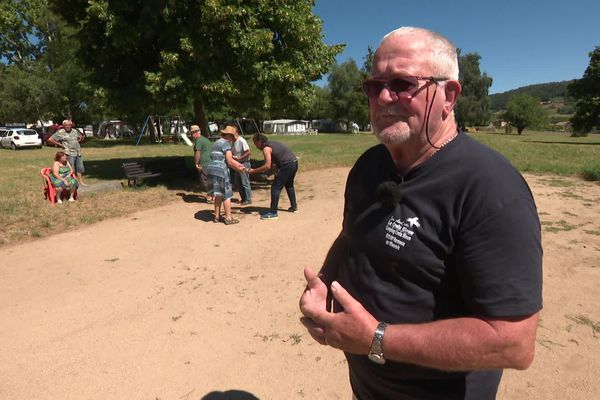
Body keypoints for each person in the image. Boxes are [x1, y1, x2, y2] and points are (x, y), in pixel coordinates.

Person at [299, 27, 542, 400]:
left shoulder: (490, 189)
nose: (382, 97)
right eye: (373, 85)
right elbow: (351, 236)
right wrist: (326, 283)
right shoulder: (368, 167)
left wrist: (376, 339)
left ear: (449, 95)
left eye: (402, 83)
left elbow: (512, 343)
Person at [247, 133, 298, 220]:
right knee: (289, 185)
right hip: (294, 163)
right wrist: (267, 174)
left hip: (287, 166)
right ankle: (294, 207)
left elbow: (267, 165)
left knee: (275, 187)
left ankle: (273, 212)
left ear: (260, 141)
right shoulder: (273, 143)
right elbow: (274, 165)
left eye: (256, 143)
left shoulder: (266, 148)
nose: (256, 146)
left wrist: (253, 171)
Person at [206, 124, 246, 225]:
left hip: (211, 169)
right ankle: (228, 218)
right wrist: (239, 169)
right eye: (232, 137)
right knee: (226, 195)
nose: (233, 139)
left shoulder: (216, 143)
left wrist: (240, 165)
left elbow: (230, 159)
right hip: (220, 170)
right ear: (229, 136)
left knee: (218, 194)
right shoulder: (226, 144)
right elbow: (229, 161)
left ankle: (216, 216)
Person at [46, 119, 88, 186]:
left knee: (80, 168)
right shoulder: (60, 132)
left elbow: (81, 137)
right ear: (63, 126)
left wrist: (80, 139)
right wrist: (59, 144)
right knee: (72, 168)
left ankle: (81, 182)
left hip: (78, 152)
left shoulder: (74, 131)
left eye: (69, 125)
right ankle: (72, 182)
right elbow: (50, 139)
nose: (68, 126)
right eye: (66, 125)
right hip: (69, 152)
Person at [190, 124, 214, 203]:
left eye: (192, 133)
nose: (191, 135)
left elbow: (198, 152)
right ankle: (213, 196)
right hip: (210, 161)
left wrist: (196, 163)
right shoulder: (205, 139)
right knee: (210, 179)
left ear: (196, 133)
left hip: (204, 163)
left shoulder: (199, 140)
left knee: (205, 180)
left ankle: (210, 197)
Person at [230, 127, 253, 205]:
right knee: (238, 182)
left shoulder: (241, 140)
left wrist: (240, 158)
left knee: (244, 181)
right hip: (237, 164)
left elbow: (248, 152)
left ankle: (248, 199)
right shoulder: (232, 142)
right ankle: (243, 198)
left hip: (244, 163)